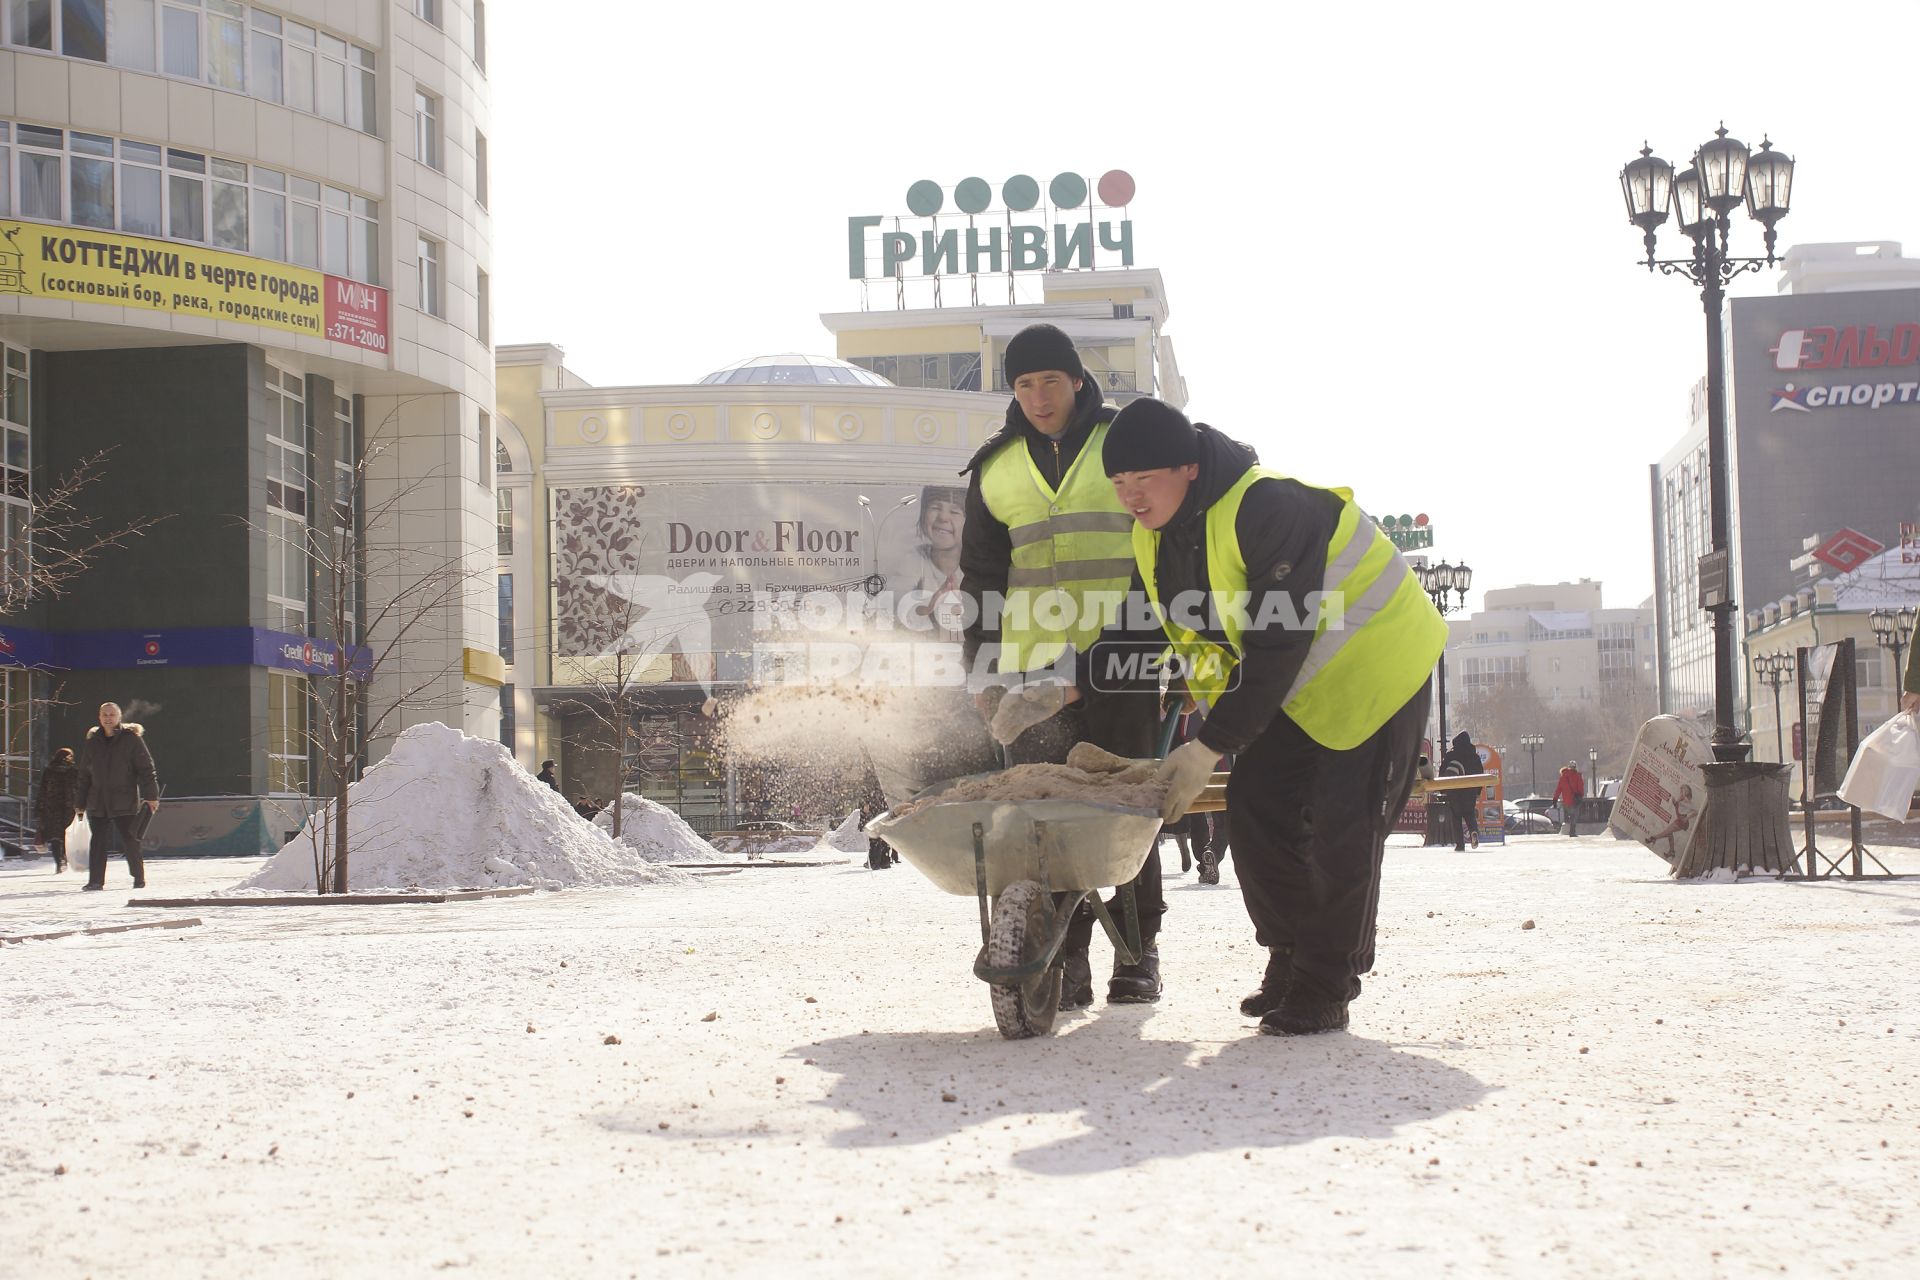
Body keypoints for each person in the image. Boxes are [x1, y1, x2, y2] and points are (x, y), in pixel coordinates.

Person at [1099, 398, 1447, 1035]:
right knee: (1256, 807)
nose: (1131, 497)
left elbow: (1279, 640)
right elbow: (1136, 632)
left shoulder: (1269, 507)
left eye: (1143, 480)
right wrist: (1060, 685)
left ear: (1189, 469)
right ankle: (1289, 958)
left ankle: (1325, 982)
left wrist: (1208, 746)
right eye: (1119, 484)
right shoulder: (1153, 538)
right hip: (1290, 684)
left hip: (1377, 663)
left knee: (1343, 822)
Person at [959, 322, 1163, 1007]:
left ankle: (1138, 950)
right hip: (1031, 670)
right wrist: (983, 670)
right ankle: (1065, 956)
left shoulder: (1122, 445)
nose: (1039, 396)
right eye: (1024, 384)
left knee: (1128, 805)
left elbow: (1158, 548)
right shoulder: (994, 467)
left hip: (1121, 657)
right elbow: (982, 580)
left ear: (1077, 379)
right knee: (1042, 817)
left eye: (1051, 380)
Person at [75, 702, 159, 891]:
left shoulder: (131, 740)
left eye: (112, 714)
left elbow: (146, 770)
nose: (108, 718)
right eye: (104, 714)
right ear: (99, 717)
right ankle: (95, 881)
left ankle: (138, 877)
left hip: (124, 798)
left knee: (130, 839)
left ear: (119, 717)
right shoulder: (92, 741)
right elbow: (84, 775)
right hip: (98, 800)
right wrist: (79, 802)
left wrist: (151, 796)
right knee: (97, 841)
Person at [35, 747, 80, 873]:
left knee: (55, 836)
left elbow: (42, 790)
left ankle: (59, 861)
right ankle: (63, 858)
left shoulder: (49, 771)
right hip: (68, 807)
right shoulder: (73, 771)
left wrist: (39, 808)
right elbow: (78, 789)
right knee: (67, 834)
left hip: (51, 808)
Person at [1441, 731, 1482, 850]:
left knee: (1456, 816)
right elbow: (1480, 774)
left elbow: (1443, 771)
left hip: (1454, 791)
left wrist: (1443, 789)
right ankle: (1473, 831)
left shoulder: (1451, 755)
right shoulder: (1474, 757)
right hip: (1470, 791)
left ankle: (1460, 845)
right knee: (1469, 814)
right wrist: (1478, 791)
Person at [1553, 762, 1587, 836]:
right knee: (1574, 815)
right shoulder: (1577, 776)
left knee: (1571, 815)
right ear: (1575, 767)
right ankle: (1572, 831)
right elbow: (1580, 788)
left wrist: (1555, 799)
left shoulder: (1563, 777)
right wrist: (1581, 796)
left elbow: (1558, 789)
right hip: (1575, 800)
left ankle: (1571, 831)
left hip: (1566, 801)